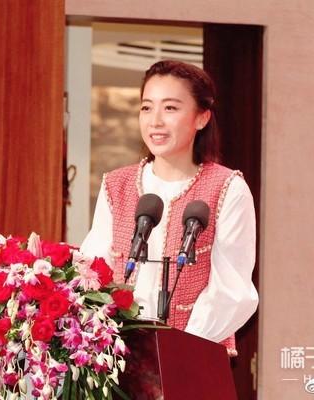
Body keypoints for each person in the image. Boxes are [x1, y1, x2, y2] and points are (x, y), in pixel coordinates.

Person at [81, 60, 258, 356]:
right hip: (121, 357)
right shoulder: (117, 185)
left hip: (193, 355)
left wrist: (179, 349)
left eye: (170, 108)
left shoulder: (227, 188)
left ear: (201, 117)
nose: (155, 121)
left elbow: (232, 291)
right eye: (146, 107)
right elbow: (93, 270)